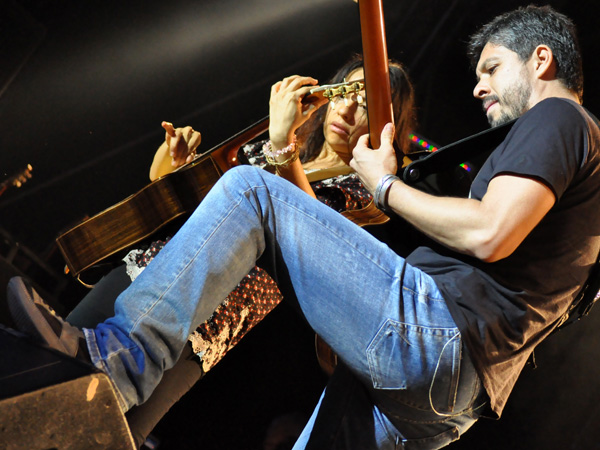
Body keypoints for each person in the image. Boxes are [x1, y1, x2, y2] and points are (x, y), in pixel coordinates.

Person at [7, 5, 600, 449]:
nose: (478, 86)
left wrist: (385, 184)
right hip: (451, 396)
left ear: (540, 59)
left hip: (436, 337)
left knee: (250, 189)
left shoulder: (559, 116)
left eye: (492, 68)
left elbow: (491, 231)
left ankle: (118, 360)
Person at [60, 55, 418, 448]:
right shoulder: (274, 150)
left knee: (110, 435)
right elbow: (199, 212)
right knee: (47, 371)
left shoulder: (363, 192)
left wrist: (285, 149)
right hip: (147, 272)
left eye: (364, 103)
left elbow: (305, 231)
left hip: (207, 328)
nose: (346, 109)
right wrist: (180, 164)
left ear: (388, 124)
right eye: (342, 93)